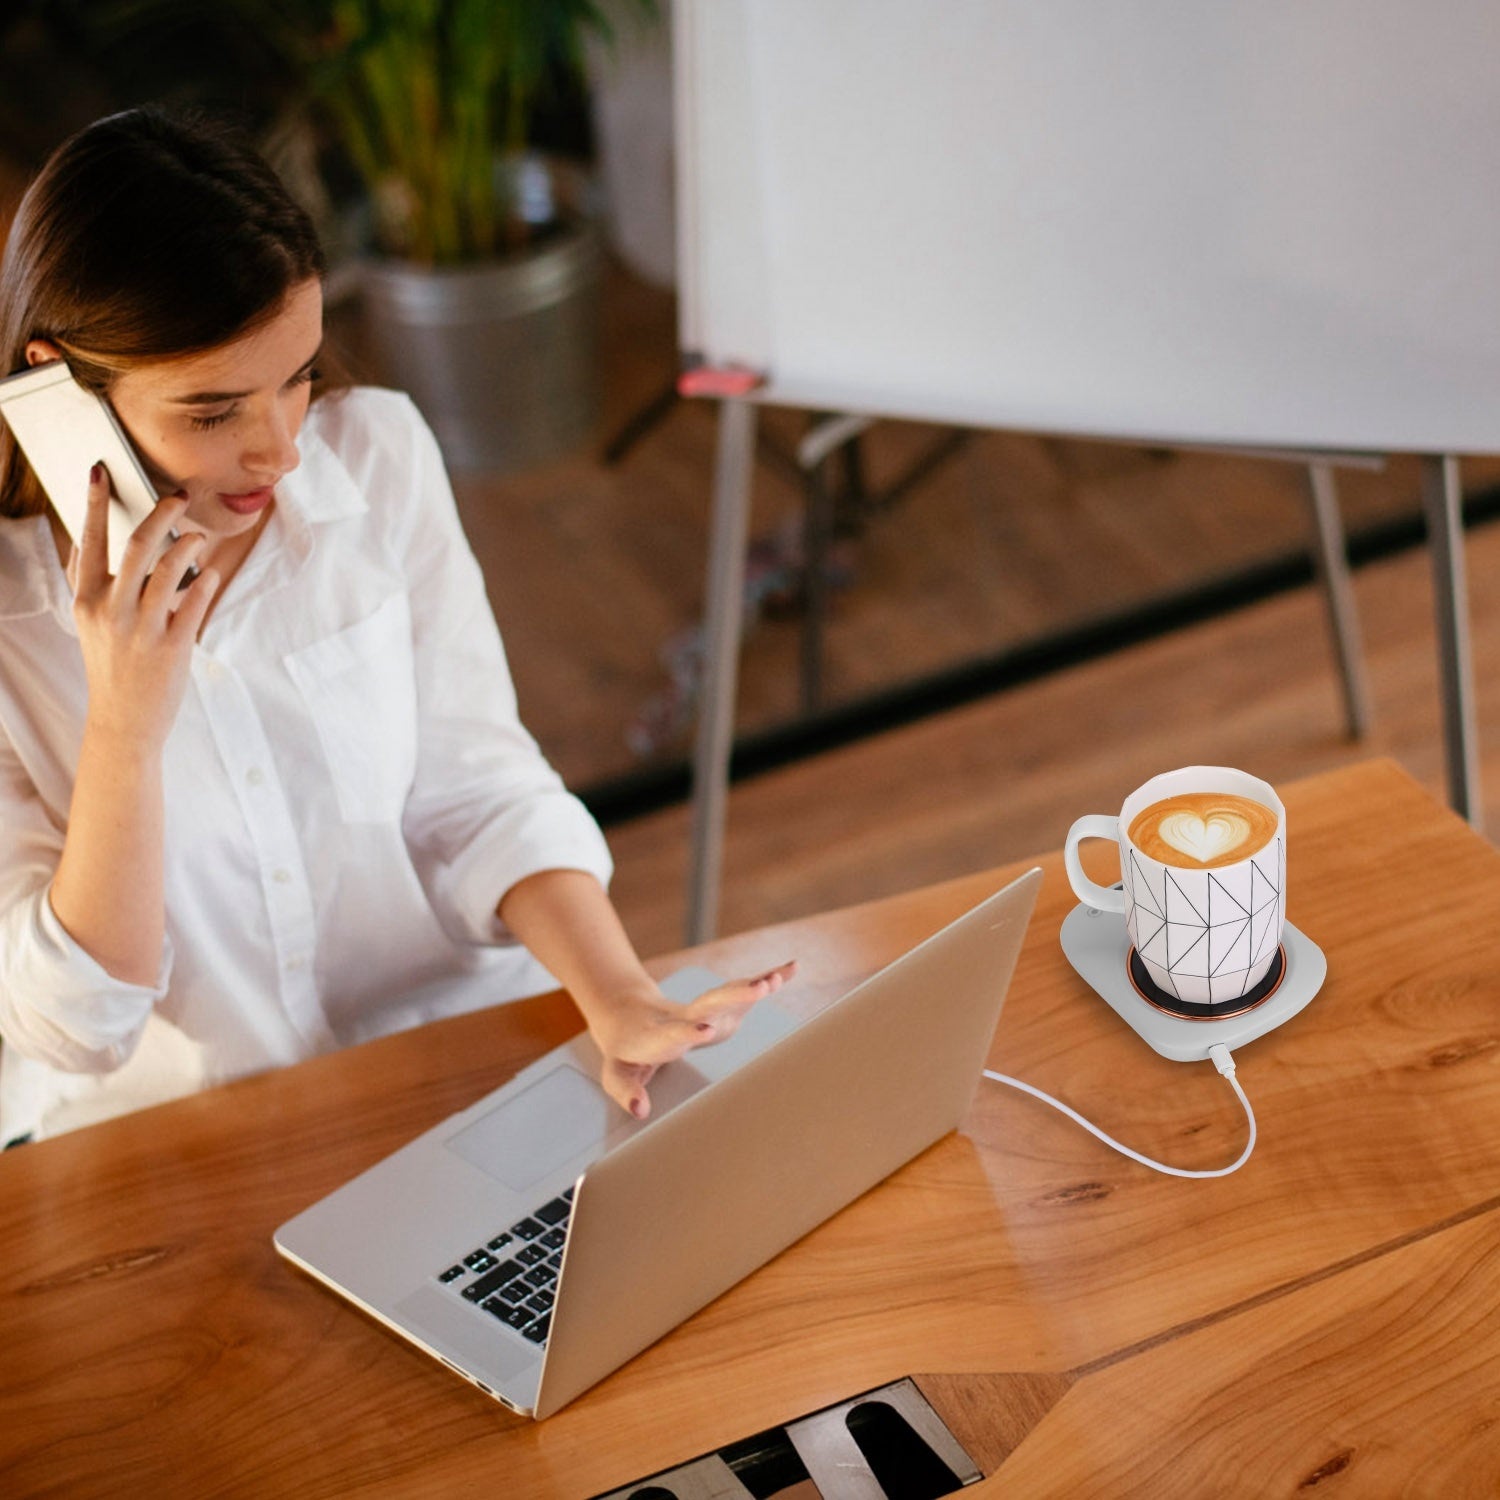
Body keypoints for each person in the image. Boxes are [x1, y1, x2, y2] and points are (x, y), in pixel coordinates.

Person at [0, 107, 792, 1146]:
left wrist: (621, 997)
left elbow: (478, 789)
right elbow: (74, 1029)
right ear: (57, 383)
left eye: (298, 379)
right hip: (194, 1135)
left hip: (456, 1058)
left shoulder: (375, 459)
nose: (281, 451)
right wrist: (124, 726)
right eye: (214, 411)